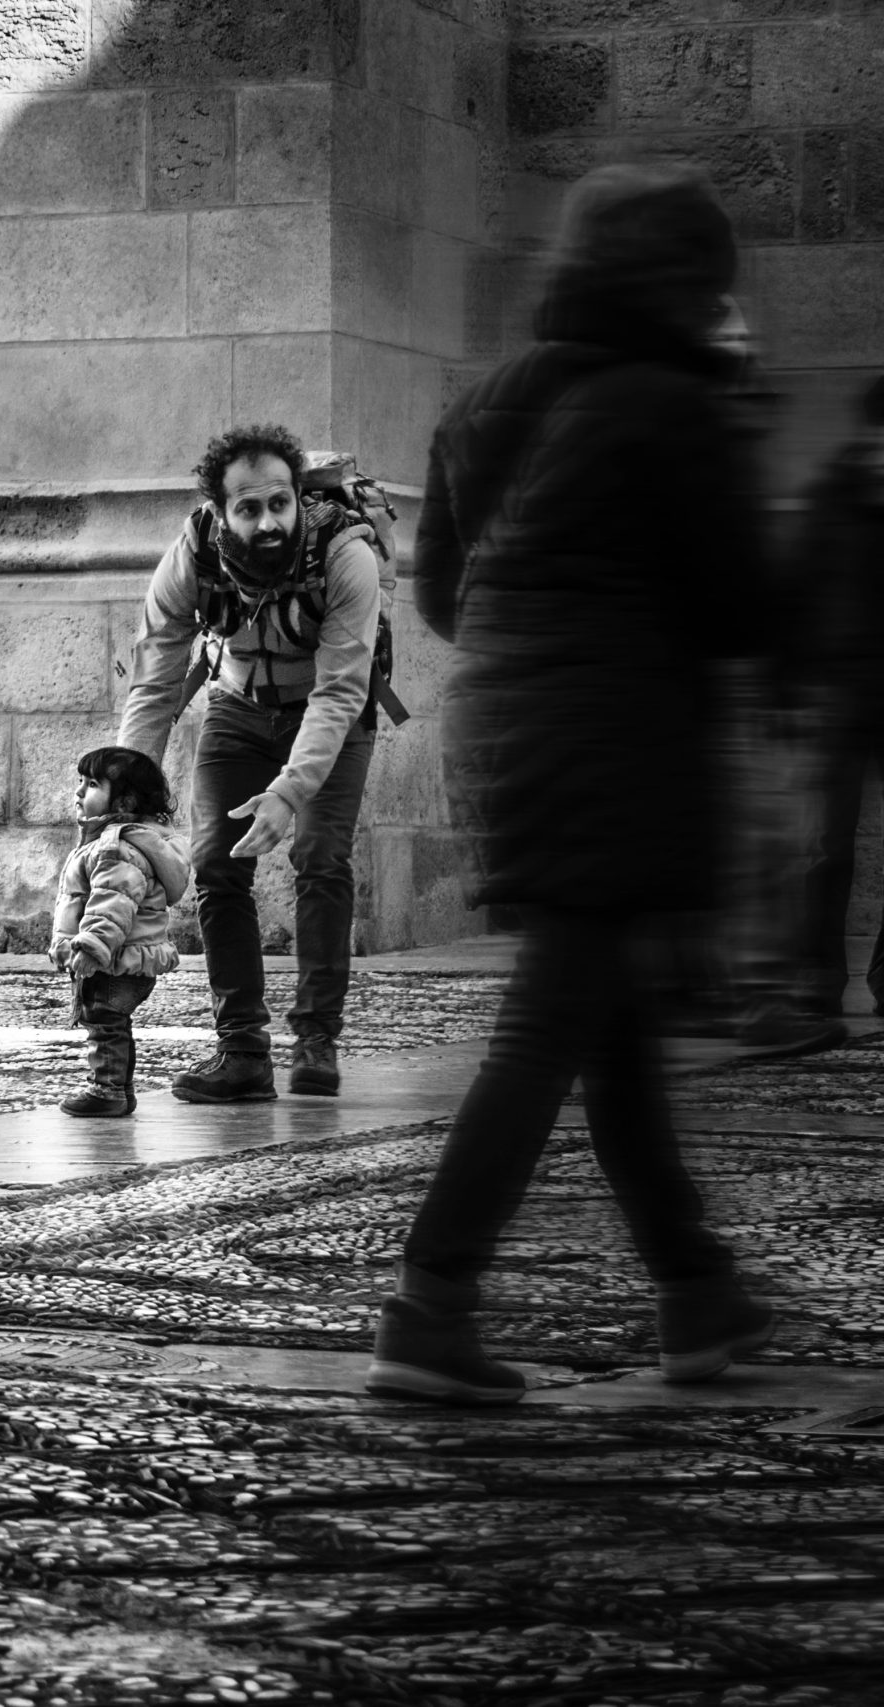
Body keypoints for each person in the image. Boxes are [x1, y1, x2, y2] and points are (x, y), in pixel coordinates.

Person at [366, 162, 774, 1406]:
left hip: (509, 724)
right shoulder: (666, 402)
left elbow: (440, 590)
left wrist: (527, 646)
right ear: (681, 282)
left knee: (609, 1024)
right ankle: (430, 1303)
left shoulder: (487, 400)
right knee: (552, 1024)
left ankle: (694, 1288)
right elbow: (738, 602)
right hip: (615, 738)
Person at [118, 424, 385, 1104]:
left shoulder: (347, 555)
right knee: (215, 864)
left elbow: (340, 692)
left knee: (321, 857)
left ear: (298, 498)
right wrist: (123, 803)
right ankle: (241, 1051)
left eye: (280, 504)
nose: (268, 522)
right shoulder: (192, 553)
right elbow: (154, 679)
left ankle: (317, 1039)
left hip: (329, 714)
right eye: (249, 508)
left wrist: (289, 791)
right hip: (237, 709)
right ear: (220, 511)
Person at [787, 377, 884, 1021]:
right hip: (841, 693)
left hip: (846, 688)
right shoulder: (833, 496)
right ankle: (818, 977)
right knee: (827, 846)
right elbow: (800, 591)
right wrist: (788, 686)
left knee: (827, 845)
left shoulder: (834, 494)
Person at [49, 746, 188, 1119]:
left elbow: (112, 904)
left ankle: (106, 1090)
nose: (79, 791)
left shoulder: (116, 849)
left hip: (113, 958)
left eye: (92, 784)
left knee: (103, 1021)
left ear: (124, 802)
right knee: (113, 1022)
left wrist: (91, 947)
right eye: (81, 781)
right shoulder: (120, 842)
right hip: (126, 956)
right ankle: (120, 1090)